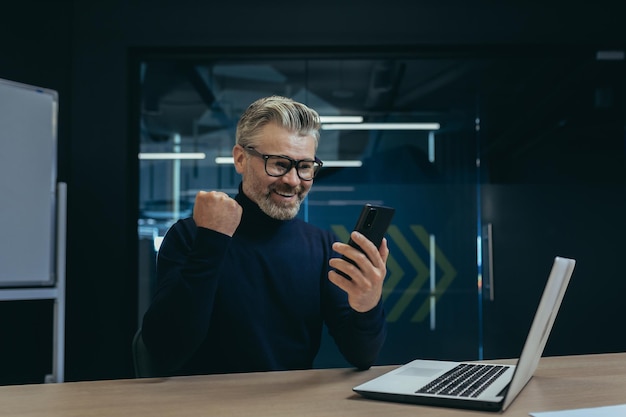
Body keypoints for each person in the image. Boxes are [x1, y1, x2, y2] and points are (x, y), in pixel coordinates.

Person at [141, 95, 389, 376]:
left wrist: (367, 305)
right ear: (240, 158)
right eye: (279, 164)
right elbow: (163, 349)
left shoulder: (321, 246)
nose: (293, 181)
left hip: (289, 406)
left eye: (305, 167)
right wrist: (212, 241)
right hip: (207, 405)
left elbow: (361, 355)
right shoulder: (192, 236)